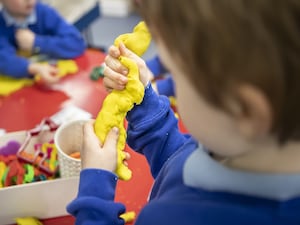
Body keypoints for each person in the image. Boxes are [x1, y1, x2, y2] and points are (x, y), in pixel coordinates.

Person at [67, 0, 300, 224]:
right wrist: (141, 97)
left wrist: (94, 192)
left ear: (244, 111)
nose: (173, 85)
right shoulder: (232, 146)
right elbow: (179, 163)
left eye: (177, 76)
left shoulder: (172, 218)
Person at [0, 0, 86, 84]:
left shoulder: (44, 13)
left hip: (57, 80)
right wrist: (33, 68)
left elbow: (76, 42)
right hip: (20, 88)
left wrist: (36, 42)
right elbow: (3, 59)